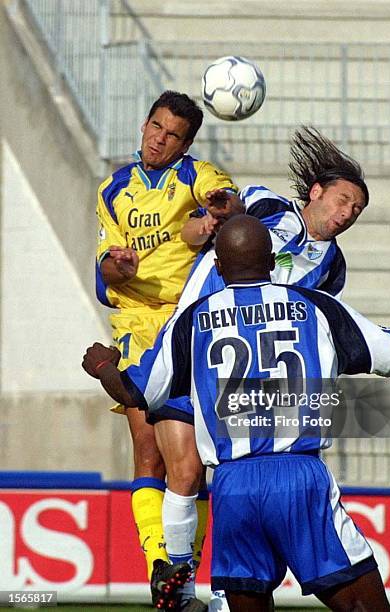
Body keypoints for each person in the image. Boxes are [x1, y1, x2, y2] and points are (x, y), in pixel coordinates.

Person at [83, 216, 390, 612]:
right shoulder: (315, 307)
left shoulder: (191, 320)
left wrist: (104, 366)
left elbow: (138, 392)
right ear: (273, 261)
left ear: (219, 267)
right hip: (298, 478)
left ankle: (178, 575)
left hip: (233, 486)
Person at [130, 126, 370, 611]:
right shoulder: (267, 206)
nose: (346, 215)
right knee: (184, 471)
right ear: (317, 191)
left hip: (242, 376)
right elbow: (230, 211)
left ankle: (219, 594)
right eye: (343, 201)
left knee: (230, 479)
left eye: (356, 211)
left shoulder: (332, 266)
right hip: (194, 344)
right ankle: (177, 584)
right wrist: (218, 211)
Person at [95, 90, 237, 611]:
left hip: (191, 323)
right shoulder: (113, 190)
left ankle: (183, 570)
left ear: (186, 143)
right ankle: (162, 565)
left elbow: (225, 202)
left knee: (192, 461)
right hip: (137, 321)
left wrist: (217, 212)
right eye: (155, 126)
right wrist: (119, 267)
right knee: (146, 445)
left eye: (172, 133)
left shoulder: (196, 176)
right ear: (143, 124)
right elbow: (101, 274)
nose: (159, 138)